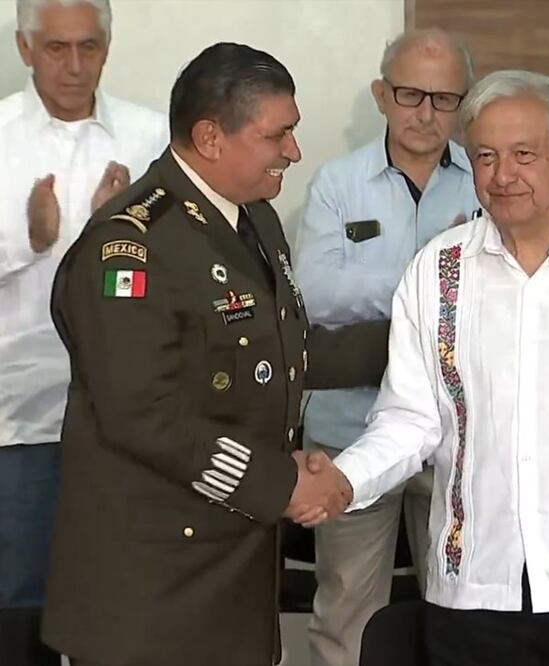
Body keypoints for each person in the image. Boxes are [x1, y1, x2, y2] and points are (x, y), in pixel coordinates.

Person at [292, 69, 549, 666]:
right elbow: (410, 419)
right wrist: (343, 479)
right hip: (473, 592)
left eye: (525, 154)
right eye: (486, 156)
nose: (502, 176)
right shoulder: (438, 269)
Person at [41, 42, 389, 666]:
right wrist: (283, 483)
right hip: (149, 594)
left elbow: (289, 352)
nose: (294, 151)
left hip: (234, 572)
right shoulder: (131, 248)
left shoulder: (253, 219)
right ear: (210, 137)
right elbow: (143, 416)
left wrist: (428, 340)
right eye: (277, 135)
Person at [294, 28, 481, 666]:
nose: (426, 113)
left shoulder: (488, 183)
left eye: (444, 98)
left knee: (460, 608)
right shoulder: (336, 183)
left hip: (461, 434)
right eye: (410, 94)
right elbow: (316, 293)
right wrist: (429, 271)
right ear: (381, 95)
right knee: (348, 611)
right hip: (351, 429)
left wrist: (378, 284)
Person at [0, 1, 166, 664]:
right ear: (24, 48)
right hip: (20, 414)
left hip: (126, 414)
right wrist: (27, 238)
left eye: (88, 47)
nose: (74, 66)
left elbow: (180, 272)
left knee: (122, 593)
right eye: (55, 48)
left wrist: (117, 235)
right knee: (21, 598)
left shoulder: (152, 137)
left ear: (108, 46)